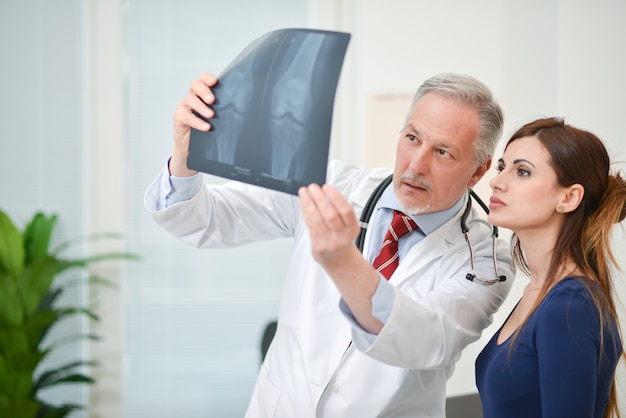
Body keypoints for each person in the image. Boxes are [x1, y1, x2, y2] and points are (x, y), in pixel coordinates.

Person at [145, 71, 515, 417]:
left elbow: (427, 340)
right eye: (413, 138)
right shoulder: (330, 183)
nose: (416, 164)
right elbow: (202, 220)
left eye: (443, 152)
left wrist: (342, 261)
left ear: (479, 171)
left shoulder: (487, 260)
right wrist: (187, 154)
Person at [475, 117, 625, 418]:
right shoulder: (542, 292)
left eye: (523, 171)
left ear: (568, 198)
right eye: (502, 167)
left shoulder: (570, 305)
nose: (497, 181)